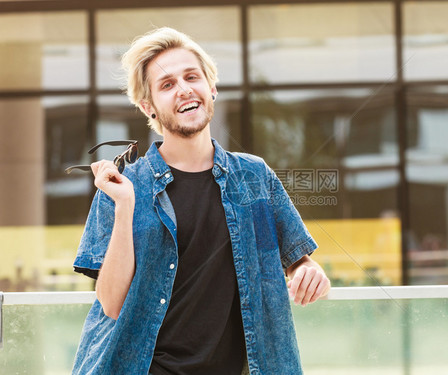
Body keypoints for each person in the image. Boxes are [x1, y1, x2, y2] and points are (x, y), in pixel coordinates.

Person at [71, 27, 331, 375]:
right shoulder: (123, 186)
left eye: (191, 77)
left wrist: (308, 272)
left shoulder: (254, 176)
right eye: (167, 85)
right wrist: (125, 207)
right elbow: (111, 303)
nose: (183, 89)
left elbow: (298, 261)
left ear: (212, 87)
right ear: (148, 107)